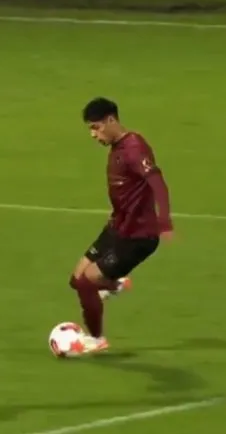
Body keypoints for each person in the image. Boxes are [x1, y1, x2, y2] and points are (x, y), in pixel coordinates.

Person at [69, 97, 174, 354]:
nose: (93, 135)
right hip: (117, 227)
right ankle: (115, 285)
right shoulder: (117, 147)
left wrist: (165, 220)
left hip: (138, 236)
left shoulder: (134, 148)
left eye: (96, 127)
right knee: (76, 279)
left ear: (111, 120)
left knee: (87, 284)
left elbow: (157, 182)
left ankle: (96, 339)